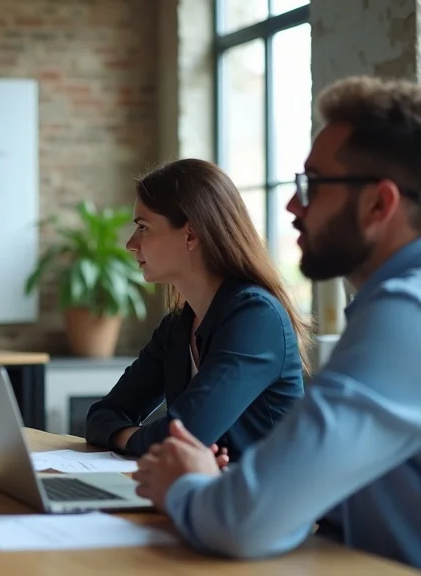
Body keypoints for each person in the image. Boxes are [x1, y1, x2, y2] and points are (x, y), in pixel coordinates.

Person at [132, 75, 421, 568]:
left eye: (312, 184)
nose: (292, 205)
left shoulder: (405, 312)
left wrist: (187, 484)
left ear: (379, 204)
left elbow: (245, 521)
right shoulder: (386, 306)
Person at [84, 158, 311, 463]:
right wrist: (140, 438)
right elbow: (102, 415)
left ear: (190, 234)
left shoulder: (257, 317)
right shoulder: (178, 325)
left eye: (143, 228)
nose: (130, 243)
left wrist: (128, 436)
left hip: (268, 506)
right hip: (207, 498)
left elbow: (185, 437)